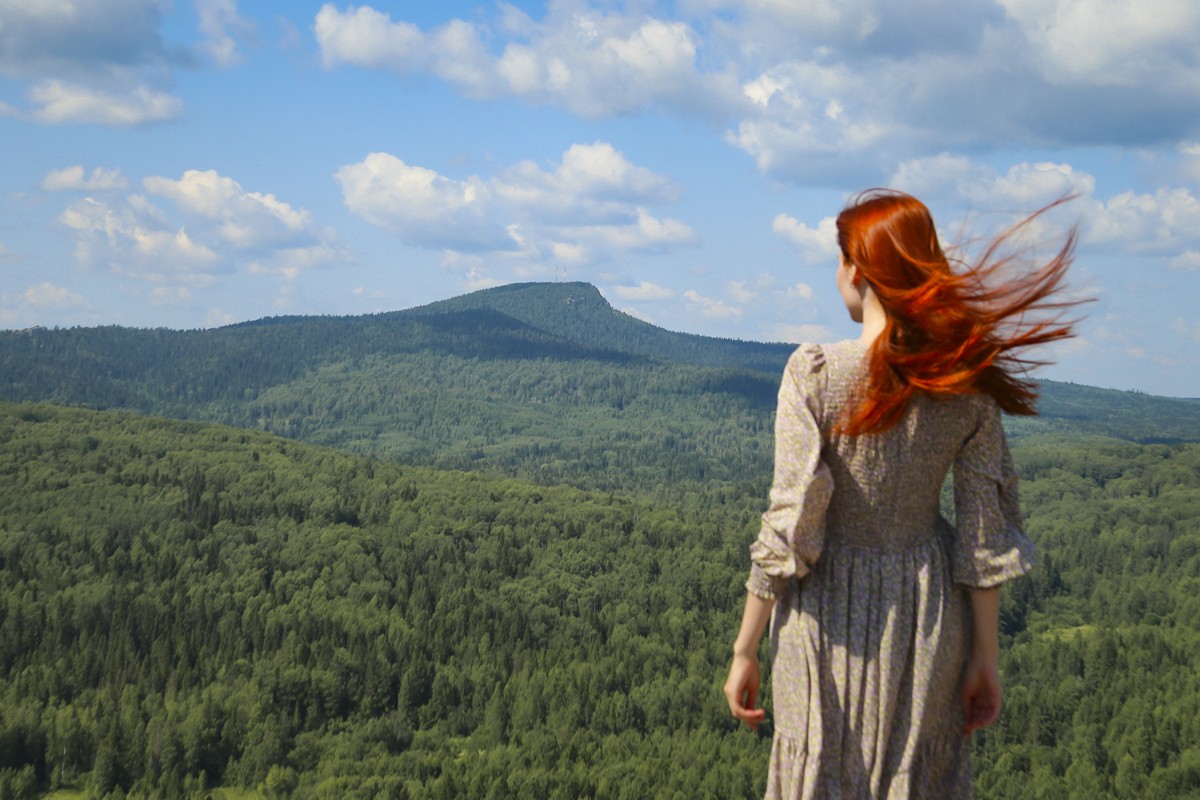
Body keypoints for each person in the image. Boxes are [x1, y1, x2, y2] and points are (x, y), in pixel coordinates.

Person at [723, 189, 1080, 798]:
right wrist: (985, 658)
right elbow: (982, 539)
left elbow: (792, 522)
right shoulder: (963, 388)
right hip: (928, 617)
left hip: (823, 617)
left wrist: (744, 648)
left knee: (818, 773)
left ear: (857, 270)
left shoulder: (815, 374)